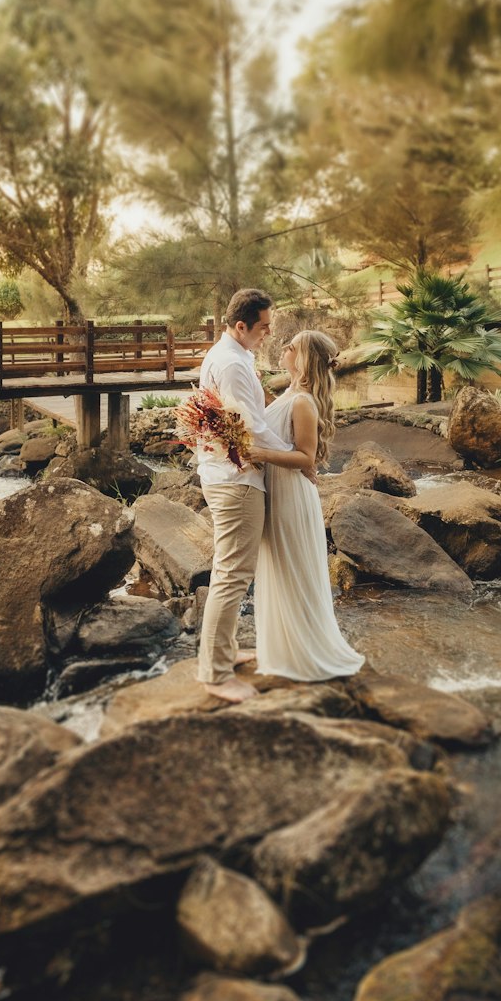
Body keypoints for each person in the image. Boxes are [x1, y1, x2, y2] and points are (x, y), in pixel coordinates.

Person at [195, 287, 297, 704]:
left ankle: (227, 650)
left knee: (233, 571)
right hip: (235, 481)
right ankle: (215, 675)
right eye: (264, 327)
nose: (269, 334)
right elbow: (252, 427)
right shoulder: (232, 363)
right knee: (233, 574)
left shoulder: (235, 355)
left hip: (230, 473)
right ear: (241, 326)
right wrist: (296, 456)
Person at [246, 330, 364, 681]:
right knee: (282, 569)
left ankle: (305, 652)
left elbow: (305, 457)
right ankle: (286, 649)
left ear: (305, 359)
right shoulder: (292, 395)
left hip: (291, 495)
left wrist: (258, 454)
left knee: (293, 570)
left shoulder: (303, 402)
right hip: (278, 489)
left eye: (291, 347)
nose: (284, 349)